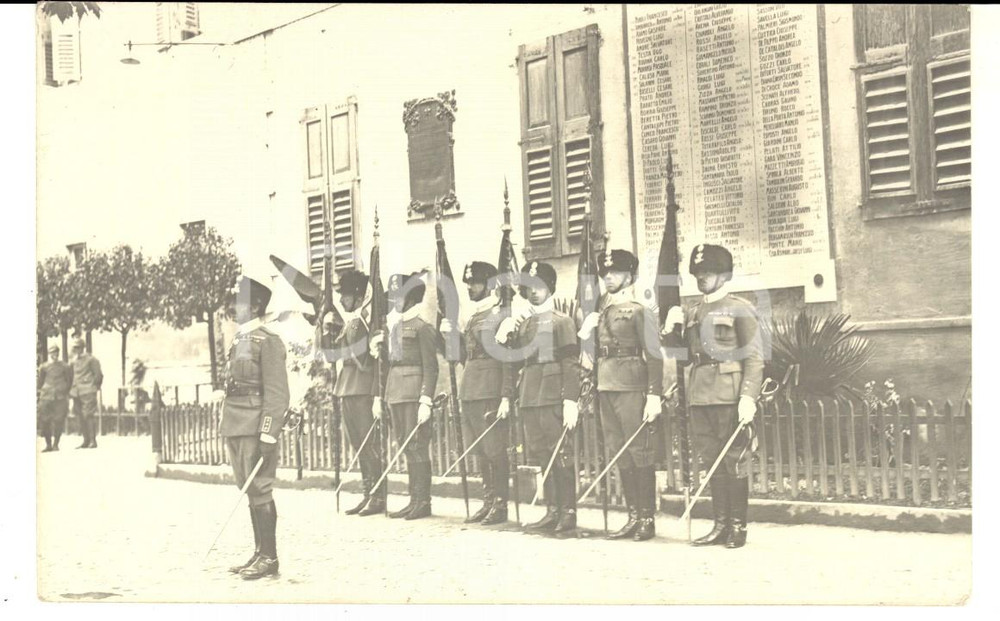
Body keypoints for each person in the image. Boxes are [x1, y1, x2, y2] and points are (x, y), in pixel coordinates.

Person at [662, 243, 763, 549]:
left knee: (733, 461)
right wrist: (671, 330)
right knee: (712, 462)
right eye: (697, 272)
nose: (702, 277)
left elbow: (754, 357)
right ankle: (720, 525)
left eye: (708, 271)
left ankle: (737, 526)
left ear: (724, 275)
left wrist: (748, 397)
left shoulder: (740, 308)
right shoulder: (693, 312)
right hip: (699, 395)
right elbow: (682, 357)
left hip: (729, 395)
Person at [578, 249, 664, 541]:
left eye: (615, 272)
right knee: (620, 451)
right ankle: (633, 516)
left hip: (631, 386)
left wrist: (654, 395)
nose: (608, 277)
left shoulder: (639, 310)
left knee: (639, 451)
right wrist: (586, 333)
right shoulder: (601, 311)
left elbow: (653, 354)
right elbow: (595, 353)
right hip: (606, 386)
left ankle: (647, 518)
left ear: (629, 276)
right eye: (605, 273)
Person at [497, 260, 581, 537]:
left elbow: (570, 362)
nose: (534, 292)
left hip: (553, 394)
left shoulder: (562, 321)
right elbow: (514, 362)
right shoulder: (523, 325)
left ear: (550, 288)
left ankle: (568, 512)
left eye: (540, 286)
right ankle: (552, 509)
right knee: (542, 453)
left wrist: (571, 399)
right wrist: (505, 339)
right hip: (530, 395)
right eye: (529, 287)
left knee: (561, 453)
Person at [220, 275, 291, 579]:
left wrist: (268, 433)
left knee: (260, 487)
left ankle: (270, 557)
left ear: (255, 306)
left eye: (237, 302)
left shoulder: (268, 340)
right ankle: (259, 552)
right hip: (235, 422)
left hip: (254, 425)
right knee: (249, 488)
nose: (231, 307)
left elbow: (277, 393)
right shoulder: (239, 339)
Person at [440, 261, 512, 526]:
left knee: (495, 449)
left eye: (475, 282)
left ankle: (501, 504)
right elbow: (464, 357)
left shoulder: (501, 316)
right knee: (481, 450)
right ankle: (489, 500)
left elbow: (507, 360)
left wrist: (506, 395)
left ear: (489, 285)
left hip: (490, 388)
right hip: (471, 387)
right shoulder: (473, 317)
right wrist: (449, 338)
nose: (470, 287)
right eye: (468, 282)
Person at [371, 271, 439, 520]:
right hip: (396, 392)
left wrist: (425, 399)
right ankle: (414, 499)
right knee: (406, 445)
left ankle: (423, 501)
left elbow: (431, 366)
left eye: (398, 296)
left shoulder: (423, 328)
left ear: (410, 298)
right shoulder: (394, 328)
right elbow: (388, 365)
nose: (394, 301)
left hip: (413, 393)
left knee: (417, 445)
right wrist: (379, 396)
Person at [330, 268, 385, 516]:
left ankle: (378, 495)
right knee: (358, 444)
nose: (341, 300)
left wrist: (376, 395)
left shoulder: (364, 321)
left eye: (345, 295)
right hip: (348, 386)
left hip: (363, 388)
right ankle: (368, 492)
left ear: (357, 295)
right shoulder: (352, 321)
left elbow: (368, 361)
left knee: (368, 443)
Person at [37, 345, 73, 452]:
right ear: (49, 354)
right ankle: (48, 445)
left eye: (56, 352)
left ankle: (56, 444)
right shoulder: (44, 367)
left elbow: (69, 381)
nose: (54, 355)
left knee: (59, 420)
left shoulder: (65, 366)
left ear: (58, 353)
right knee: (45, 420)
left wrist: (64, 391)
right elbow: (40, 382)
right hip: (46, 396)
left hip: (60, 397)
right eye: (52, 353)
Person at [69, 338, 103, 449]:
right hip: (76, 392)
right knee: (80, 416)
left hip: (88, 391)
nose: (76, 350)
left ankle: (93, 441)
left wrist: (94, 386)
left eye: (78, 347)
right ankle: (85, 440)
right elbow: (70, 376)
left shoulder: (91, 360)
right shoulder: (73, 361)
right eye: (75, 348)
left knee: (88, 415)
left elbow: (98, 375)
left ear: (83, 348)